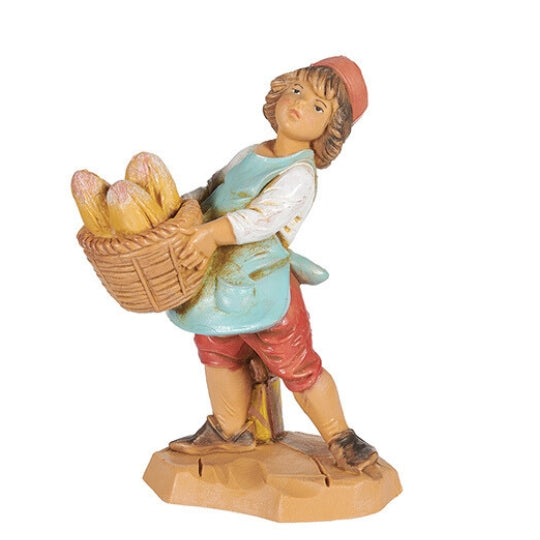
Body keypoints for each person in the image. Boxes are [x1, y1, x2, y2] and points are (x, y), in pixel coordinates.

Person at [166, 56, 378, 473]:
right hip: (216, 275)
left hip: (262, 279)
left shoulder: (299, 175)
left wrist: (211, 233)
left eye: (318, 106)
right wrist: (182, 208)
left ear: (329, 130)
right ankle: (230, 428)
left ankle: (340, 436)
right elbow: (214, 188)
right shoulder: (251, 153)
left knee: (294, 360)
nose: (299, 104)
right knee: (217, 348)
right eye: (296, 90)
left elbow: (261, 218)